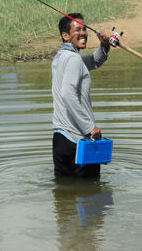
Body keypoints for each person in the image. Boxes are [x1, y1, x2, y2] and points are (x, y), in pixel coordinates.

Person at [52, 13, 112, 177]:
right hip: (77, 140)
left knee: (64, 196)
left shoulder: (60, 57)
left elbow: (94, 61)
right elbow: (67, 94)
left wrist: (104, 44)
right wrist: (89, 128)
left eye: (85, 29)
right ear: (65, 36)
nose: (83, 33)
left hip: (60, 140)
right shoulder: (74, 59)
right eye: (77, 29)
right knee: (90, 196)